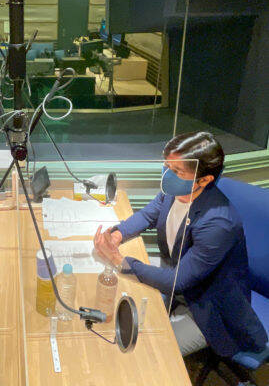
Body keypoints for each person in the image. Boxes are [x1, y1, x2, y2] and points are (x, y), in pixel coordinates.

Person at [94, 132, 267, 358]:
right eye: (167, 166)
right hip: (179, 285)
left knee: (148, 354)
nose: (167, 175)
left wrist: (119, 260)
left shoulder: (218, 223)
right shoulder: (178, 191)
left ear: (204, 180)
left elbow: (177, 281)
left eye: (177, 171)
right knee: (116, 315)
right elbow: (148, 215)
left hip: (208, 308)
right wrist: (117, 235)